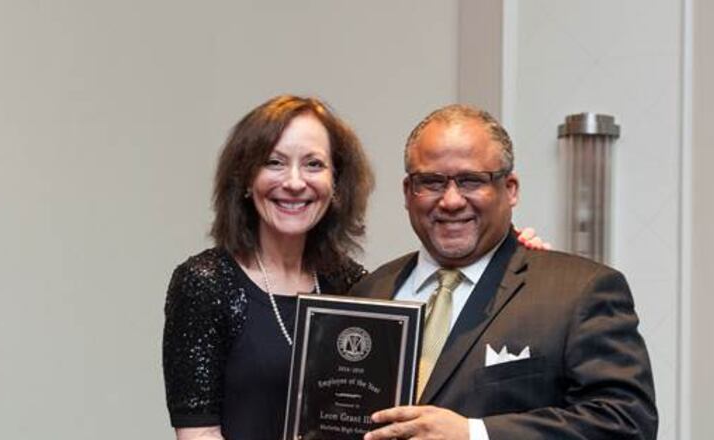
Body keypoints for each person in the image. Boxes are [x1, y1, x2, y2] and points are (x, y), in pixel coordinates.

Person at [350, 104, 657, 439]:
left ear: (510, 189)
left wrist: (475, 434)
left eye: (471, 181)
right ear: (409, 193)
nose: (451, 200)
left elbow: (626, 422)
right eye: (432, 182)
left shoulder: (580, 292)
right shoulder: (369, 292)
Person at [162, 95, 374, 440]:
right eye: (274, 162)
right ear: (246, 179)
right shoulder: (205, 283)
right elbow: (198, 435)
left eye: (314, 164)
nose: (293, 182)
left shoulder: (353, 285)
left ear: (336, 183)